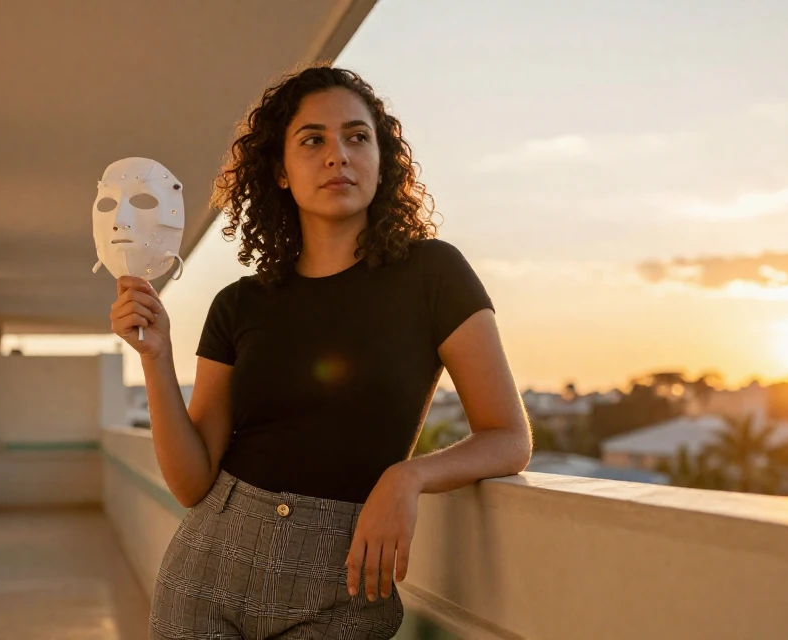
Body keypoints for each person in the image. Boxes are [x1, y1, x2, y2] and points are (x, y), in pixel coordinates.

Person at [110, 64, 532, 640]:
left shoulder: (435, 276)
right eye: (313, 140)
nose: (338, 154)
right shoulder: (239, 304)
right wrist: (155, 358)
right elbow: (191, 483)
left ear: (382, 162)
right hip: (206, 574)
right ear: (281, 172)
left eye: (357, 137)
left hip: (344, 586)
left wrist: (406, 478)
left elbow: (508, 436)